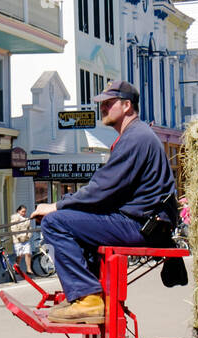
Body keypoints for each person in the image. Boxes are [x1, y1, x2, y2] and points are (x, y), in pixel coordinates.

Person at [30, 80, 177, 323]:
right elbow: (107, 193)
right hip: (141, 222)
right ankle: (88, 294)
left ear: (127, 105)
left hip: (139, 224)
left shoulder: (136, 137)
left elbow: (102, 189)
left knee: (55, 223)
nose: (103, 108)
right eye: (102, 104)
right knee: (72, 222)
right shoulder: (136, 135)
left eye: (109, 103)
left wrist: (55, 206)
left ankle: (88, 298)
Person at [10, 204, 33, 278]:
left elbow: (30, 229)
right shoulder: (14, 219)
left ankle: (29, 269)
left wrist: (28, 236)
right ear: (18, 211)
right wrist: (19, 237)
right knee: (19, 255)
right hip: (18, 240)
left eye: (25, 212)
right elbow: (13, 229)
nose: (24, 213)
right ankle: (16, 267)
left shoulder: (27, 219)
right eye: (22, 211)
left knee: (28, 253)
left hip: (26, 239)